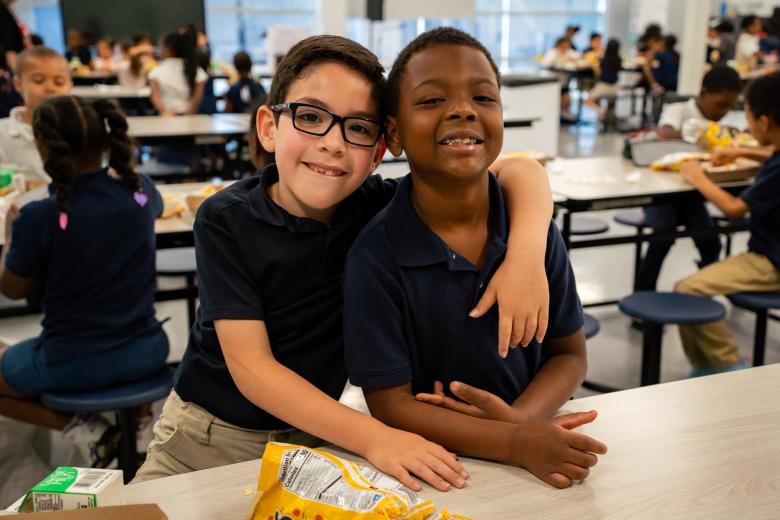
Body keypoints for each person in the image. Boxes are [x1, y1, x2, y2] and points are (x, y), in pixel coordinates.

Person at [132, 34, 556, 490]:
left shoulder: (377, 208)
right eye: (311, 117)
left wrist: (526, 256)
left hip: (318, 437)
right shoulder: (226, 219)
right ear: (270, 127)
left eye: (357, 127)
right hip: (207, 439)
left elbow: (521, 171)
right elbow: (253, 368)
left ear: (378, 151)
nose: (333, 143)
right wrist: (377, 437)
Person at [343, 27, 607, 490]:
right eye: (432, 100)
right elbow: (389, 404)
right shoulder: (377, 255)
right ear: (394, 133)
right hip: (441, 468)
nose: (463, 110)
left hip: (538, 443)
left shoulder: (531, 232)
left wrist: (520, 422)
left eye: (483, 98)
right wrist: (513, 441)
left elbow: (569, 355)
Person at [0, 96, 169, 465]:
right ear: (106, 140)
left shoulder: (38, 216)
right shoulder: (139, 190)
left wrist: (11, 240)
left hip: (72, 359)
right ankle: (139, 422)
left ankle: (86, 429)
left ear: (41, 146)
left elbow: (12, 289)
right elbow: (151, 208)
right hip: (147, 351)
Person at [676, 72, 780, 376]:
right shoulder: (774, 155)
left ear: (763, 122)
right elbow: (769, 154)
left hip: (770, 261)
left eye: (748, 118)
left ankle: (729, 363)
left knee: (687, 289)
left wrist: (697, 177)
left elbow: (734, 209)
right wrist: (739, 151)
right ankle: (706, 366)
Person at [636, 66, 744, 292]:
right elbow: (666, 133)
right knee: (663, 234)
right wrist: (704, 133)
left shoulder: (720, 127)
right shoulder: (678, 110)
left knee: (710, 241)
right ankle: (644, 294)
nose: (724, 112)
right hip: (661, 193)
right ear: (703, 93)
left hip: (691, 196)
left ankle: (703, 292)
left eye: (730, 107)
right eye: (721, 104)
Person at [0, 47, 71, 184]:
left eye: (59, 82)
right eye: (38, 80)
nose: (50, 88)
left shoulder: (80, 130)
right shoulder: (2, 134)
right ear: (18, 84)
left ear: (69, 86)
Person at [149, 26, 206, 116]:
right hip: (190, 118)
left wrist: (165, 112)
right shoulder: (197, 70)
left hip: (166, 118)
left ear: (168, 49)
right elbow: (197, 99)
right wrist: (188, 114)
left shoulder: (156, 72)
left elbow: (155, 96)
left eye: (161, 47)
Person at [584, 38, 622, 125]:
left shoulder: (604, 59)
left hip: (603, 86)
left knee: (587, 101)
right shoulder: (619, 59)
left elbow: (598, 73)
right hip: (615, 88)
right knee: (611, 102)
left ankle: (600, 109)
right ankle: (609, 119)